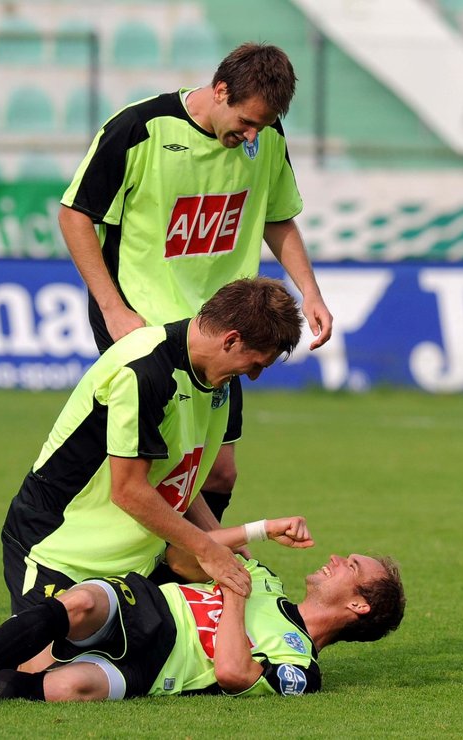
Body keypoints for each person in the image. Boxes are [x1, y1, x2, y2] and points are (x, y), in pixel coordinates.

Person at [58, 41, 333, 527]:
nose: (252, 135)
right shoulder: (140, 128)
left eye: (262, 126)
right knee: (157, 470)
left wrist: (309, 290)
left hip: (225, 331)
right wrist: (112, 309)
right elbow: (76, 215)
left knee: (219, 473)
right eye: (246, 122)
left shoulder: (266, 136)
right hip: (145, 325)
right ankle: (120, 569)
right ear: (220, 89)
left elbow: (278, 216)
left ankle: (176, 573)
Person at [0, 276, 301, 616]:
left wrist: (215, 535)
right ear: (231, 340)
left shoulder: (217, 378)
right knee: (43, 667)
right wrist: (207, 549)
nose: (254, 376)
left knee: (119, 668)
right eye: (256, 364)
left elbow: (174, 469)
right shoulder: (145, 370)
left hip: (129, 565)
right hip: (58, 550)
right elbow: (129, 490)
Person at [0, 519, 406, 702]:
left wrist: (233, 593)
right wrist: (254, 534)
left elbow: (236, 673)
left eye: (352, 566)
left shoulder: (300, 669)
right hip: (151, 611)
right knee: (83, 602)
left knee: (65, 686)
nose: (337, 559)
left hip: (160, 671)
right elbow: (182, 553)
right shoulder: (264, 576)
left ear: (358, 604)